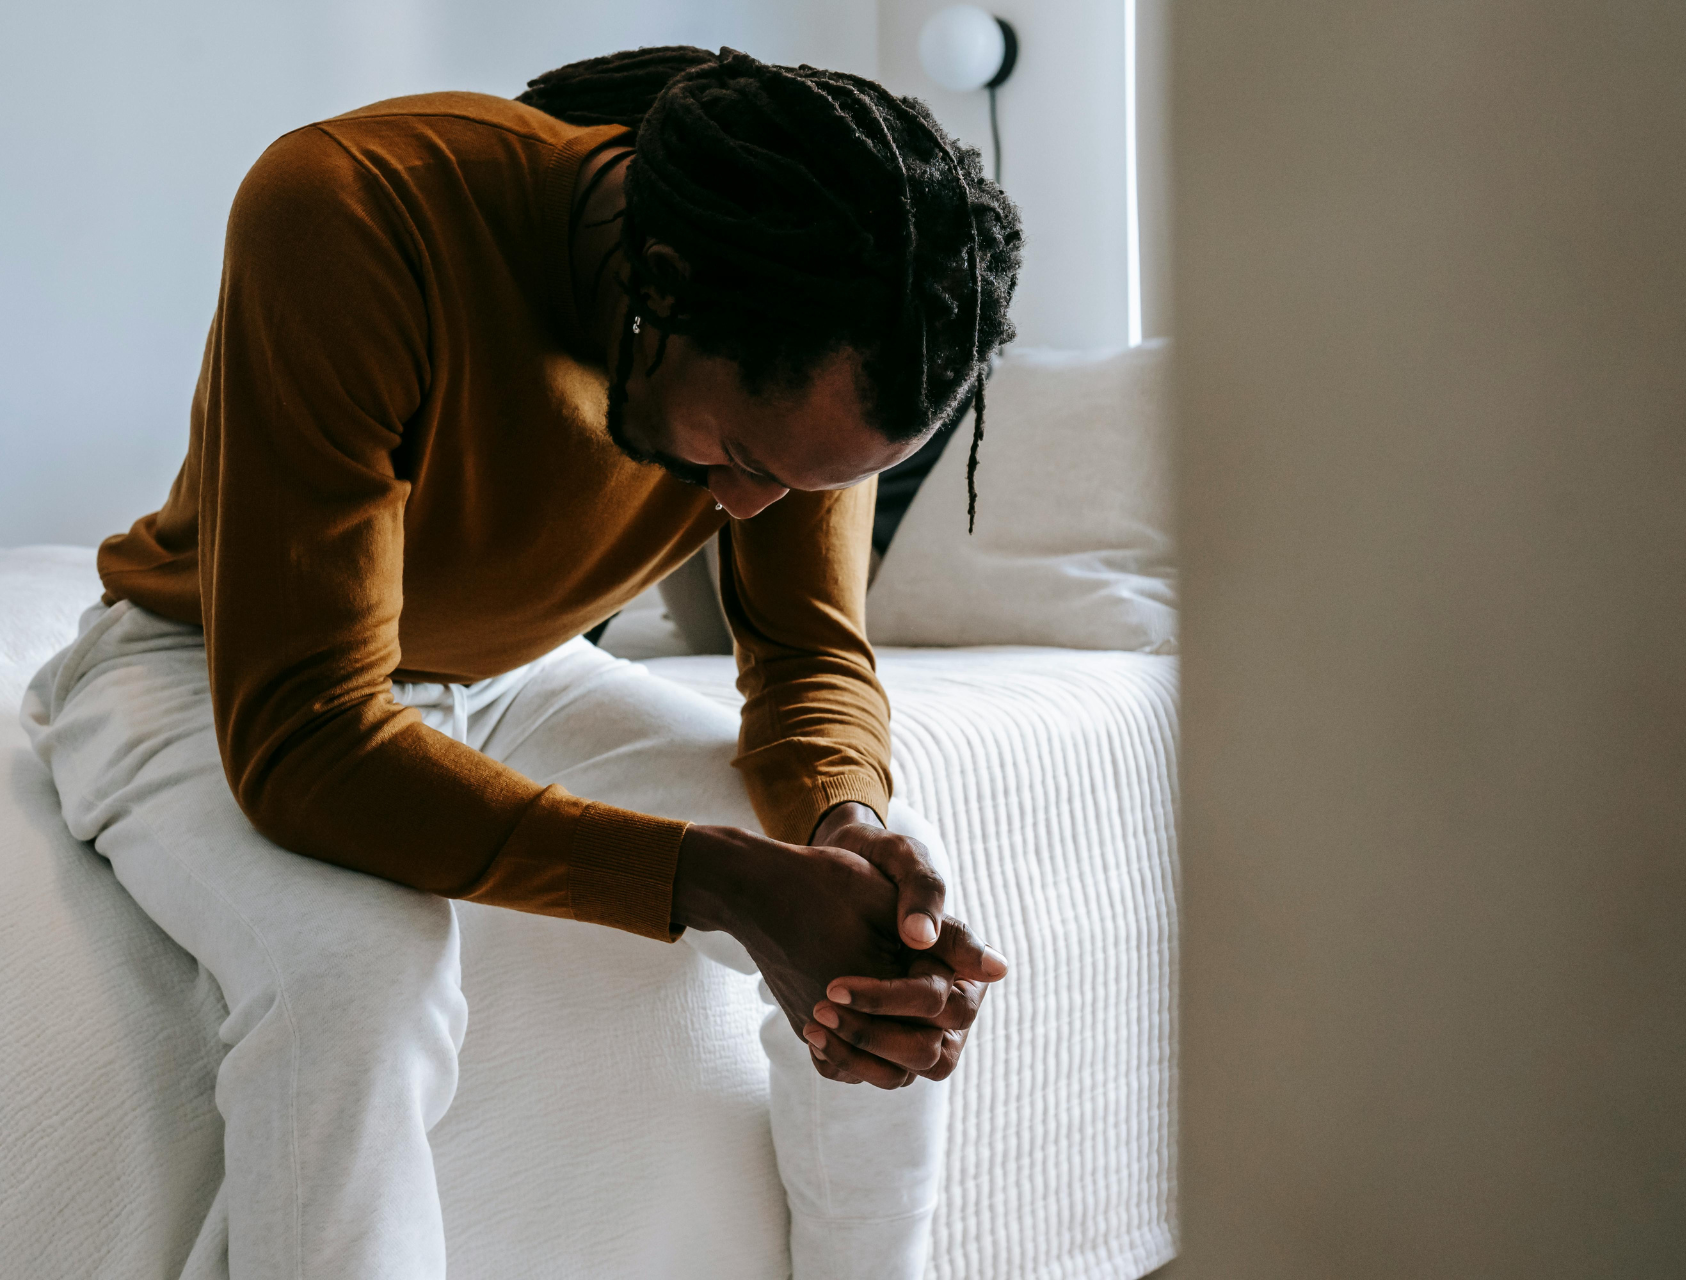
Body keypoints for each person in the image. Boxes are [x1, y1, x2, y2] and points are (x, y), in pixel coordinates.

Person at [21, 44, 1023, 1280]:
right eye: (742, 455)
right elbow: (306, 739)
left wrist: (841, 816)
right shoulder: (353, 208)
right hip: (206, 665)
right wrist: (716, 881)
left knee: (888, 925)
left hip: (509, 674)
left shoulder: (844, 303)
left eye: (803, 481)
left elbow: (808, 648)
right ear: (663, 283)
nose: (751, 510)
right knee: (357, 979)